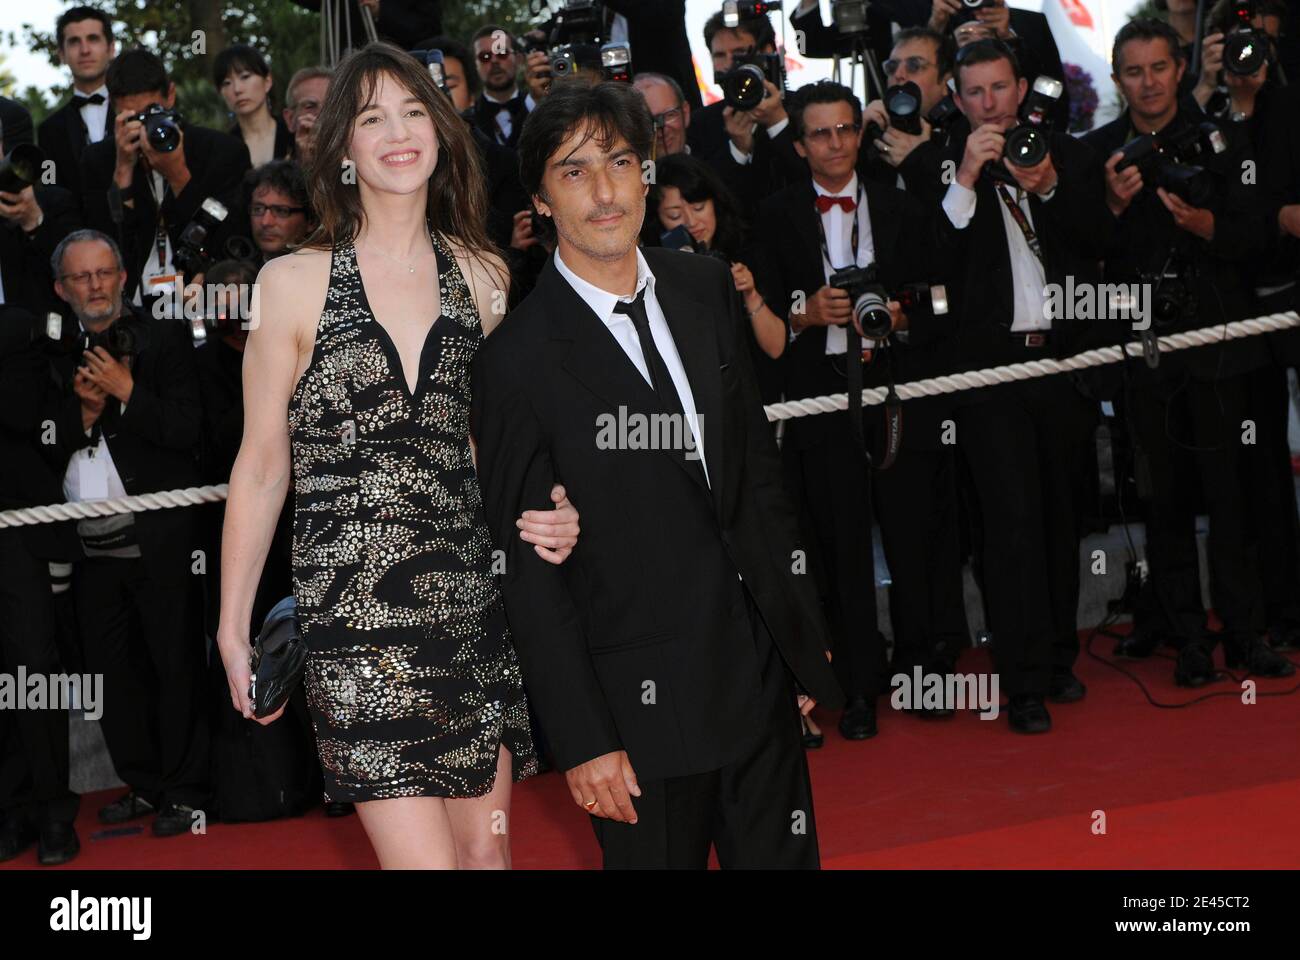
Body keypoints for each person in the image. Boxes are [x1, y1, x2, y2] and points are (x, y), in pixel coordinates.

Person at [216, 42, 577, 870]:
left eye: (415, 111)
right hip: (355, 622)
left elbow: (496, 441)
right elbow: (263, 465)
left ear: (444, 131)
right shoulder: (293, 283)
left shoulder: (484, 274)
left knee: (487, 861)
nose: (399, 132)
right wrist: (233, 629)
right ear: (343, 146)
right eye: (373, 117)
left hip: (471, 606)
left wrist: (548, 503)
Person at [472, 79, 843, 870]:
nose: (605, 191)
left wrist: (796, 639)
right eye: (575, 171)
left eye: (620, 162)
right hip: (633, 718)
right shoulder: (515, 362)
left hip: (756, 681)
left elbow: (757, 479)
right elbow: (528, 577)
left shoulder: (705, 288)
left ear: (648, 172)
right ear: (540, 198)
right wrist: (583, 740)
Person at [1084, 18, 1293, 684]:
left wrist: (1208, 227)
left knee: (1233, 499)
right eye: (1133, 72)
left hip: (1222, 346)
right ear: (1118, 80)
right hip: (1145, 357)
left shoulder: (1223, 137)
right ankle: (1187, 639)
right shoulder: (1097, 154)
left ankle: (1244, 633)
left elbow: (1262, 234)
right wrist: (1111, 213)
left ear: (1179, 69)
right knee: (1163, 502)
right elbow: (1081, 257)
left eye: (1157, 68)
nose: (1147, 83)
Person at [936, 39, 1113, 731]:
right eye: (975, 91)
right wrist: (967, 180)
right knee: (1010, 529)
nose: (990, 103)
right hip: (990, 377)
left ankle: (1061, 658)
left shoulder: (1066, 154)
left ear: (1019, 89)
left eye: (999, 88)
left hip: (1063, 367)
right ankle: (1023, 681)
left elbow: (1101, 237)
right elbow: (932, 259)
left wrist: (1050, 189)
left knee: (1063, 520)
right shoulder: (940, 167)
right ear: (957, 100)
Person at [42, 229, 210, 836]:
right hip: (86, 550)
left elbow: (190, 431)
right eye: (82, 277)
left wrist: (128, 392)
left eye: (105, 273)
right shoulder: (47, 353)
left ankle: (185, 792)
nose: (96, 286)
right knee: (112, 680)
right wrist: (82, 413)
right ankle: (143, 784)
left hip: (161, 540)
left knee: (175, 666)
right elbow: (34, 449)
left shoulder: (163, 338)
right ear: (61, 289)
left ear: (123, 276)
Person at [0, 303, 83, 864]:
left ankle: (54, 810)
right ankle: (10, 809)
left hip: (17, 532)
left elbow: (21, 415)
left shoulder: (18, 328)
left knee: (33, 674)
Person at [79, 49, 251, 308]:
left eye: (152, 111)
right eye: (133, 117)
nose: (145, 125)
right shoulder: (98, 160)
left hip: (205, 299)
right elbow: (104, 246)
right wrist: (123, 171)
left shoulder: (222, 151)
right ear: (114, 108)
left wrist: (179, 175)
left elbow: (229, 240)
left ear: (170, 95)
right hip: (134, 303)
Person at [36, 5, 117, 214]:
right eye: (74, 42)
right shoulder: (49, 130)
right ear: (61, 54)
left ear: (111, 48)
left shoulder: (135, 113)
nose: (85, 50)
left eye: (93, 38)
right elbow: (51, 193)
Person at [213, 44, 293, 167]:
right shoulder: (223, 148)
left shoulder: (293, 134)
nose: (237, 89)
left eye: (245, 77)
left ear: (267, 81)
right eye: (227, 83)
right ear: (220, 93)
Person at [283, 66, 333, 165]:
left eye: (331, 105)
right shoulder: (277, 173)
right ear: (290, 119)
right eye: (310, 106)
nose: (322, 113)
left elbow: (349, 180)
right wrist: (307, 161)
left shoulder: (352, 162)